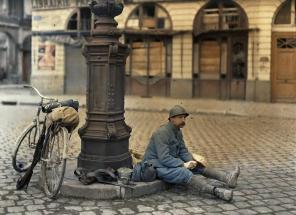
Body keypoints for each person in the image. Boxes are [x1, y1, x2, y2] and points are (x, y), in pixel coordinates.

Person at [142, 105, 240, 202]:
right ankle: (217, 192)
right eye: (180, 117)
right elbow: (164, 158)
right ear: (171, 119)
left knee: (198, 166)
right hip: (156, 166)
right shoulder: (162, 133)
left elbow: (182, 150)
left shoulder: (177, 132)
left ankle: (228, 179)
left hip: (168, 163)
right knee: (184, 172)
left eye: (184, 117)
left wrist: (192, 161)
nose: (183, 120)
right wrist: (183, 164)